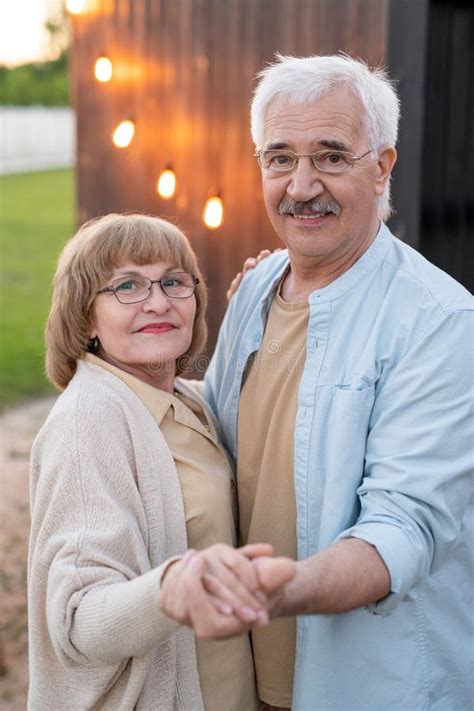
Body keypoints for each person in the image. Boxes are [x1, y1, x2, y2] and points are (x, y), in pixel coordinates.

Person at [197, 55, 473, 710]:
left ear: (382, 165)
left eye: (331, 157)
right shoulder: (258, 288)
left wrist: (272, 589)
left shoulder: (440, 322)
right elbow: (210, 430)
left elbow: (403, 528)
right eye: (280, 158)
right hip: (249, 677)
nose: (301, 185)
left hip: (372, 685)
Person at [27, 213, 295, 710]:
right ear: (86, 318)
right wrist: (172, 588)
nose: (158, 302)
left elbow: (258, 402)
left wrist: (264, 306)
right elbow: (78, 620)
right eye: (127, 285)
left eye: (174, 281)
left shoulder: (189, 403)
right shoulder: (89, 422)